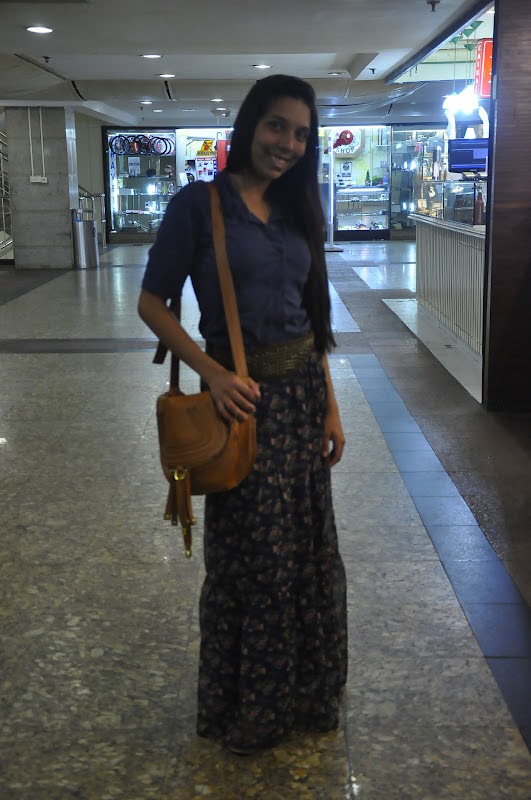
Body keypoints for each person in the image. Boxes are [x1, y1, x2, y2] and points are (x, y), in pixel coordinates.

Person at [138, 74, 348, 754]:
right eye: (277, 126)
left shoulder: (298, 206)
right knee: (255, 560)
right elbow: (151, 302)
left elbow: (312, 317)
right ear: (250, 124)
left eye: (301, 134)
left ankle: (308, 693)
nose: (288, 143)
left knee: (307, 551)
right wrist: (214, 374)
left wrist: (330, 407)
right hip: (243, 403)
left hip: (302, 400)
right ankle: (251, 704)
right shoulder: (199, 205)